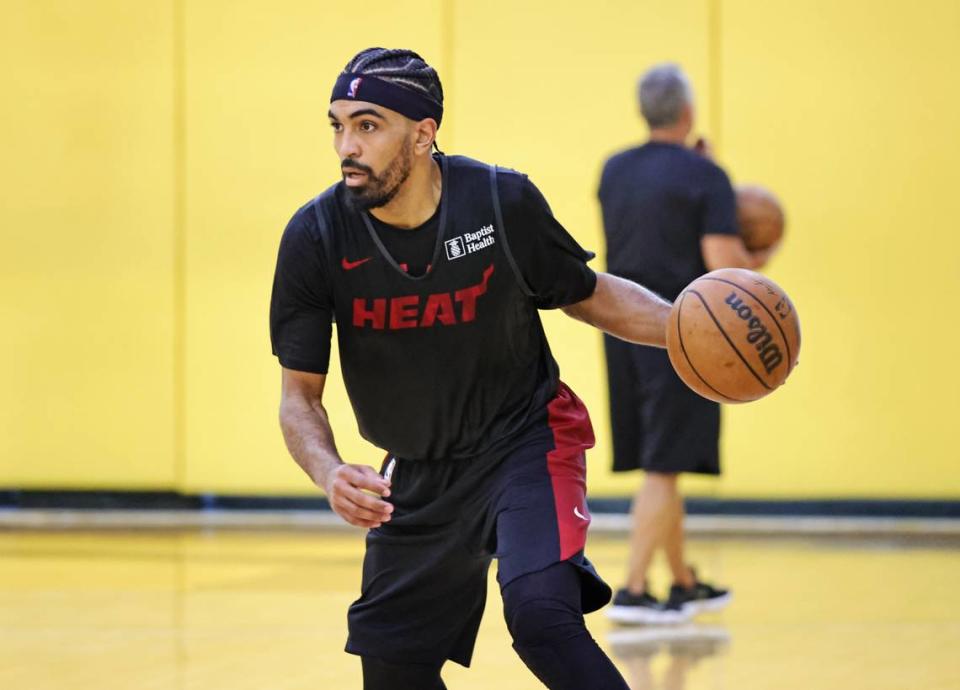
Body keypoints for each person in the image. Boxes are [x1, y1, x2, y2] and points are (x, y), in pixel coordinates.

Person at [270, 47, 674, 690]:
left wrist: (683, 329)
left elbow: (586, 293)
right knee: (394, 676)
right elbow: (299, 397)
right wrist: (329, 471)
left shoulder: (498, 199)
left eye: (368, 125)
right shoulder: (316, 236)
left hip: (524, 438)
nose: (347, 145)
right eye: (338, 125)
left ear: (424, 133)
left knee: (542, 616)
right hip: (417, 470)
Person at [599, 64, 776, 625]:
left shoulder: (614, 170)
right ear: (688, 113)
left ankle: (680, 581)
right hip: (687, 332)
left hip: (622, 327)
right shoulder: (706, 176)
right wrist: (760, 262)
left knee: (662, 464)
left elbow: (651, 224)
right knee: (663, 466)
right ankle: (630, 589)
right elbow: (724, 267)